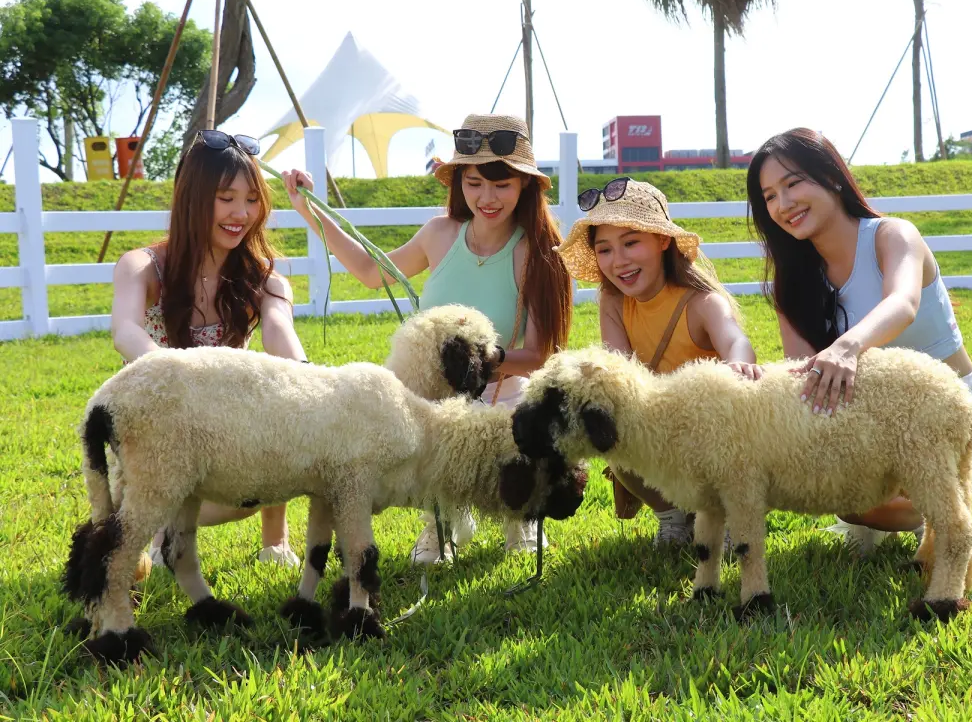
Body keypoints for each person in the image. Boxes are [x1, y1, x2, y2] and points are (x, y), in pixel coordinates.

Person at [282, 113, 573, 563]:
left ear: (524, 187)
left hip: (505, 397)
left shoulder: (536, 254)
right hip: (437, 401)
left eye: (502, 184)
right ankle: (444, 516)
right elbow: (370, 271)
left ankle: (523, 517)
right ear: (459, 183)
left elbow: (536, 356)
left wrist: (472, 364)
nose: (487, 198)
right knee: (407, 422)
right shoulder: (440, 234)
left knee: (520, 440)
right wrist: (310, 210)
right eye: (474, 183)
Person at [745, 127, 972, 555]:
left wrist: (847, 346)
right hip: (868, 431)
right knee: (832, 491)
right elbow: (802, 378)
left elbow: (902, 303)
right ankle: (862, 521)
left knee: (898, 505)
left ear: (832, 178)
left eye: (792, 184)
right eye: (769, 196)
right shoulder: (793, 282)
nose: (783, 205)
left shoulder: (892, 235)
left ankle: (932, 519)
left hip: (950, 425)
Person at [110, 130, 304, 570]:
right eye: (226, 197)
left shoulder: (266, 279)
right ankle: (159, 525)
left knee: (281, 399)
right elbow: (125, 330)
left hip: (226, 427)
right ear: (194, 197)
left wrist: (309, 377)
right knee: (140, 503)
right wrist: (183, 372)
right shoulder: (143, 266)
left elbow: (280, 334)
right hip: (157, 425)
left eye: (252, 199)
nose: (241, 213)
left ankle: (276, 542)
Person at [556, 177, 762, 545]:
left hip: (710, 427)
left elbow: (737, 341)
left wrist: (737, 365)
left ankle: (728, 515)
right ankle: (671, 516)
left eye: (631, 243)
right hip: (661, 426)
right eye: (604, 250)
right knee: (614, 435)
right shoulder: (613, 302)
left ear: (662, 240)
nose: (618, 261)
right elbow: (620, 368)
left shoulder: (700, 302)